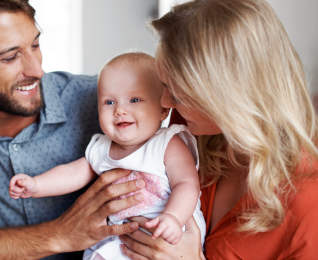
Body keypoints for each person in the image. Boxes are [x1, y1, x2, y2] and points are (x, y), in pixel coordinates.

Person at [119, 0, 318, 259]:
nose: (165, 104)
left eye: (178, 95)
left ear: (229, 98)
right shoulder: (191, 131)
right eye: (165, 85)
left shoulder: (307, 206)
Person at [0, 1, 146, 259]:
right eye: (9, 57)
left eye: (35, 45)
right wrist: (58, 235)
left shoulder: (103, 104)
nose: (37, 70)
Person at [9, 52, 206, 260]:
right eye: (109, 102)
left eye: (135, 99)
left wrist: (173, 217)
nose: (120, 110)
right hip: (120, 238)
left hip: (169, 236)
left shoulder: (167, 144)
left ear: (163, 111)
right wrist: (37, 185)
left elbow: (186, 184)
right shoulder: (101, 148)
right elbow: (72, 173)